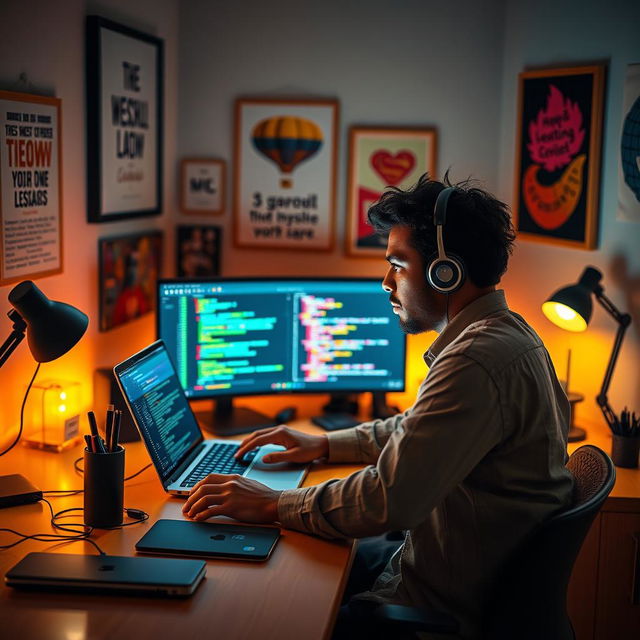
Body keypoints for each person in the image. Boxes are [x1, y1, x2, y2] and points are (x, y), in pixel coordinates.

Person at [182, 173, 574, 639]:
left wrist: (274, 504)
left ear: (443, 270)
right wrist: (324, 445)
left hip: (432, 609)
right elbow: (418, 431)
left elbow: (390, 499)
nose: (386, 282)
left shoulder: (474, 360)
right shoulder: (513, 335)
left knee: (257, 609)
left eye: (398, 264)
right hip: (453, 575)